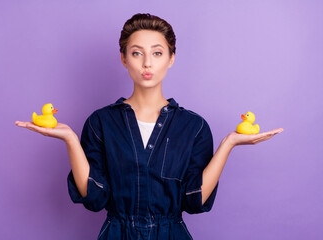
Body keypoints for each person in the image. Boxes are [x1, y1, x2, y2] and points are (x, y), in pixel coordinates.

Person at [15, 13, 283, 240]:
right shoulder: (100, 122)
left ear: (171, 58)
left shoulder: (194, 126)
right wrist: (70, 140)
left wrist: (229, 144)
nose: (147, 63)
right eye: (136, 53)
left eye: (157, 52)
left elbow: (195, 200)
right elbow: (94, 198)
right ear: (123, 59)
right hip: (116, 233)